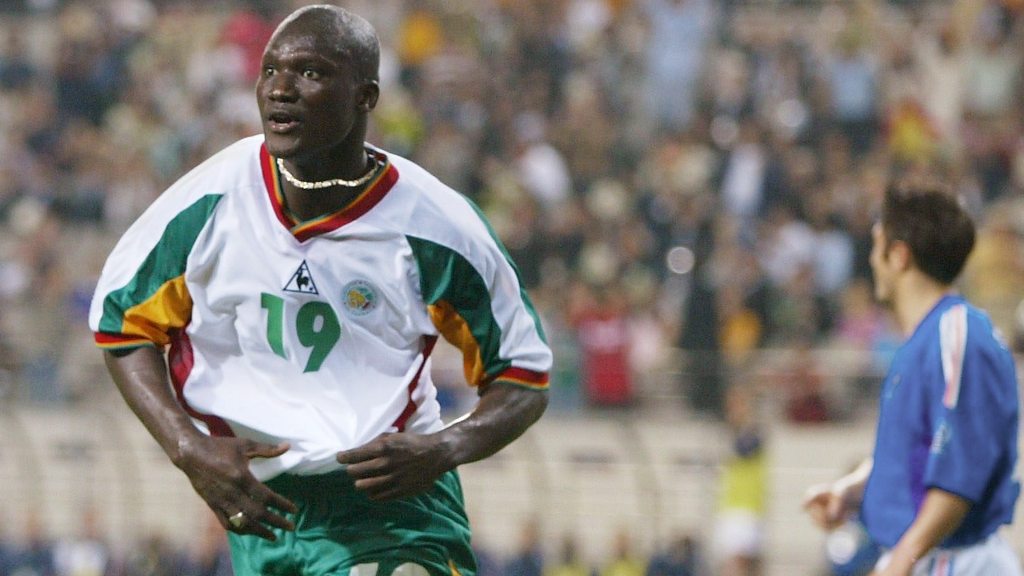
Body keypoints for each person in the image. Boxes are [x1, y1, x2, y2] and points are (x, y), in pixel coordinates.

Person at [88, 5, 551, 576]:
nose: (281, 90)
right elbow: (119, 325)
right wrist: (186, 448)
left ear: (366, 96)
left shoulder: (437, 226)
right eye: (270, 71)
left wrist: (445, 447)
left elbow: (524, 378)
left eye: (310, 73)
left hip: (393, 507)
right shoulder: (208, 203)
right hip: (264, 515)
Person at [803, 179, 1021, 576]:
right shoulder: (925, 341)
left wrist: (903, 559)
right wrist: (851, 491)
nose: (871, 259)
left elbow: (960, 471)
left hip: (953, 561)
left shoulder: (957, 335)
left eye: (876, 244)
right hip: (928, 558)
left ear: (899, 255)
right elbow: (916, 453)